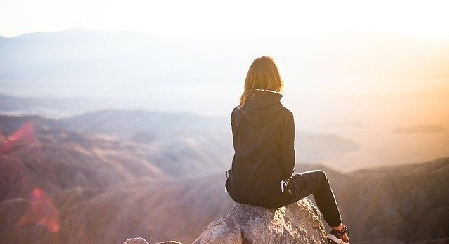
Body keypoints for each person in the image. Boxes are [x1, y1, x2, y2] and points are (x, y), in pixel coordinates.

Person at [225, 56, 349, 244]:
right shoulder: (284, 116)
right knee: (320, 178)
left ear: (249, 81)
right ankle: (338, 231)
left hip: (237, 189)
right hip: (270, 195)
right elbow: (288, 165)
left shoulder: (237, 112)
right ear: (276, 80)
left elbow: (241, 150)